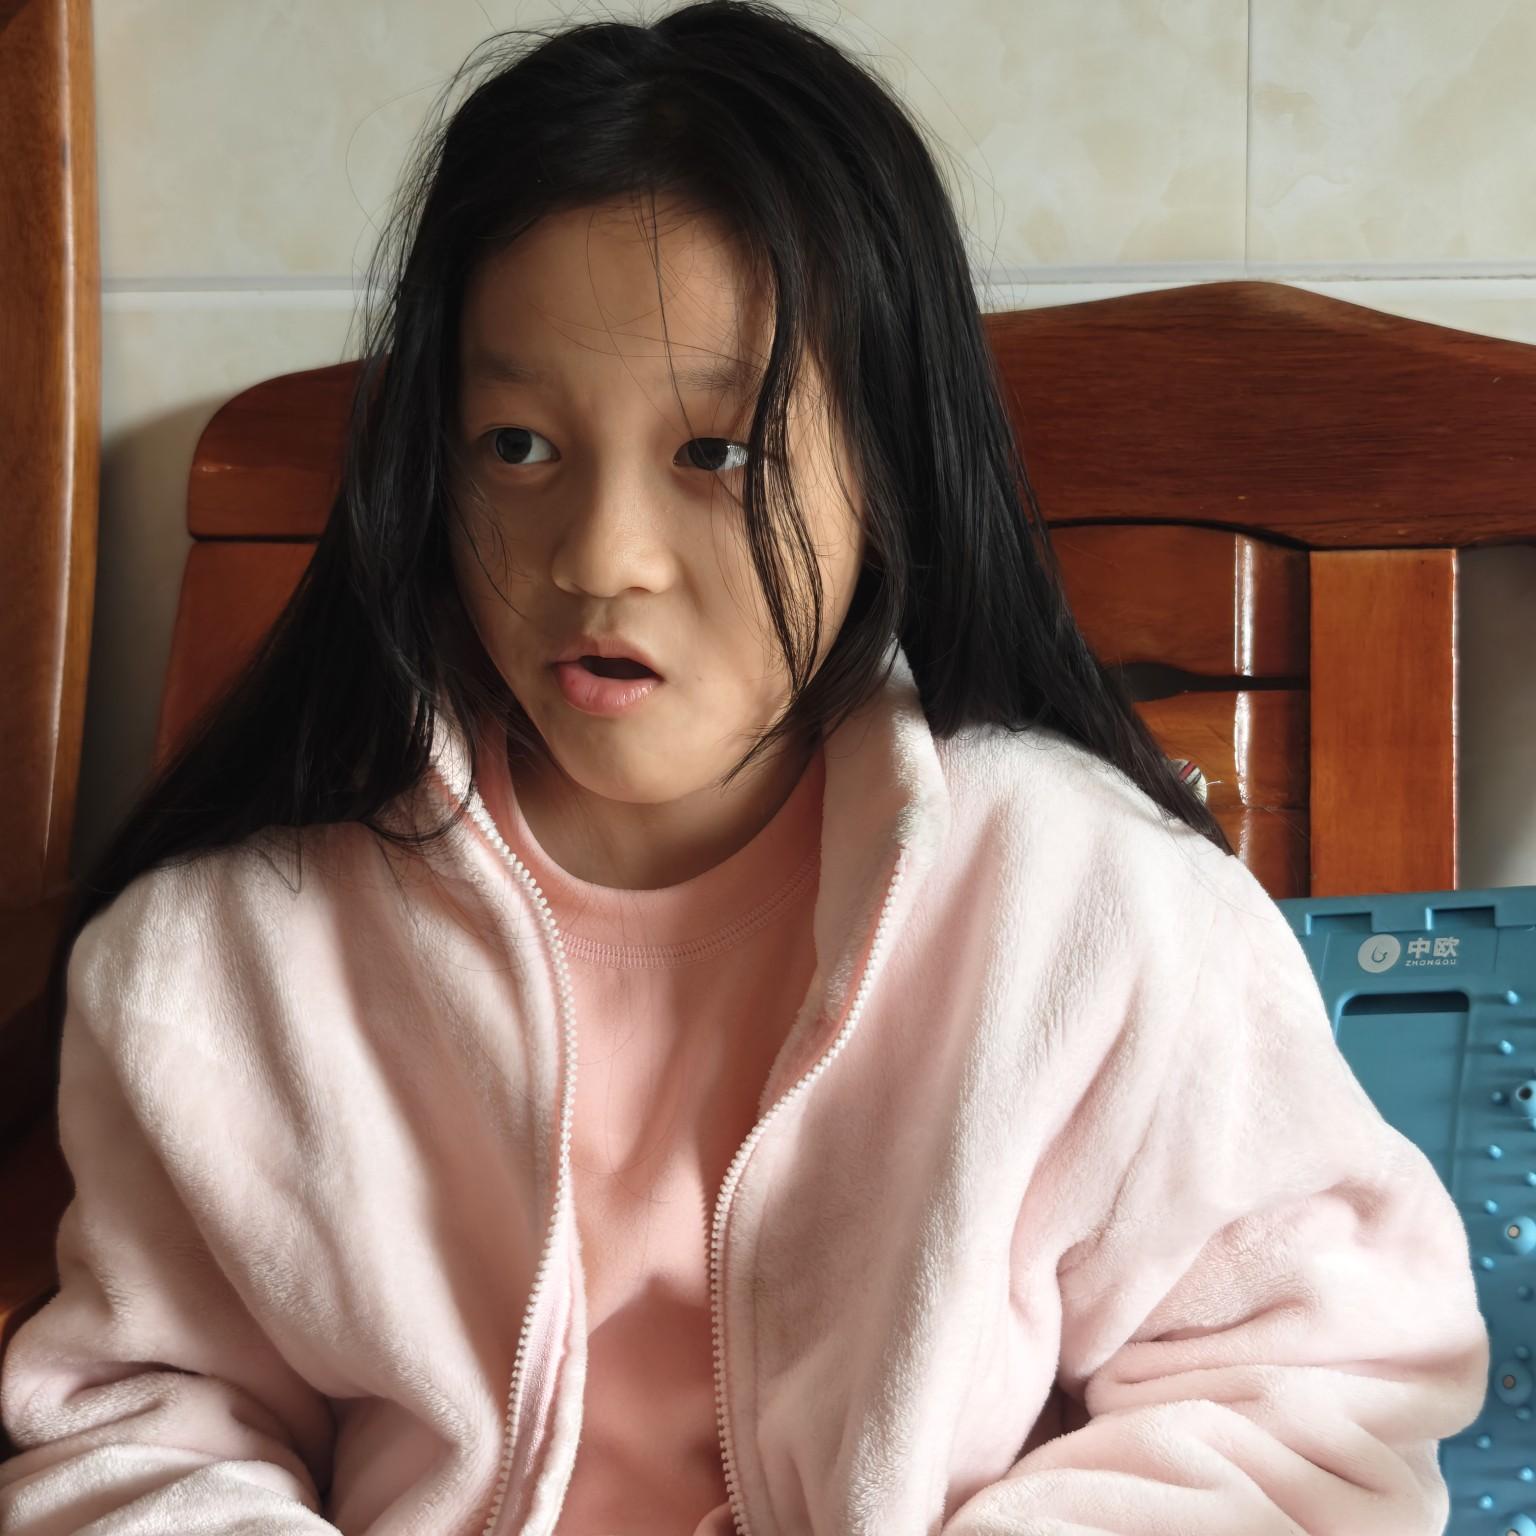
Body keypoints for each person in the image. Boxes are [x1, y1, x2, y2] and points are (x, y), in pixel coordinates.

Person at [0, 3, 1489, 1532]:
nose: (601, 558)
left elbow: (1312, 1403)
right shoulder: (225, 964)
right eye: (517, 446)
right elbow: (146, 1434)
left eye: (717, 455)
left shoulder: (1090, 916)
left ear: (888, 472)